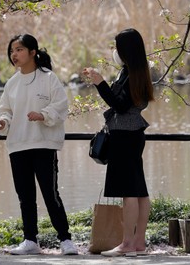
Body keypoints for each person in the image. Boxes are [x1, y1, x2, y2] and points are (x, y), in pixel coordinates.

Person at [0, 34, 79, 256]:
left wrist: (43, 114)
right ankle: (30, 240)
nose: (14, 54)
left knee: (50, 193)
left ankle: (65, 239)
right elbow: (5, 111)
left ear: (33, 52)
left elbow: (61, 106)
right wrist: (2, 122)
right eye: (12, 50)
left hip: (44, 144)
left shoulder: (49, 78)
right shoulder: (12, 83)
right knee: (25, 196)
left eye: (19, 49)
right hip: (18, 145)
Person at [82, 28, 155, 257]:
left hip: (124, 135)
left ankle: (127, 244)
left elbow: (120, 105)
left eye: (117, 47)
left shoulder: (130, 73)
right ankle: (139, 243)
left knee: (129, 192)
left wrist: (100, 82)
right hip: (134, 135)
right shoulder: (139, 71)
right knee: (139, 191)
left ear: (125, 50)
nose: (115, 52)